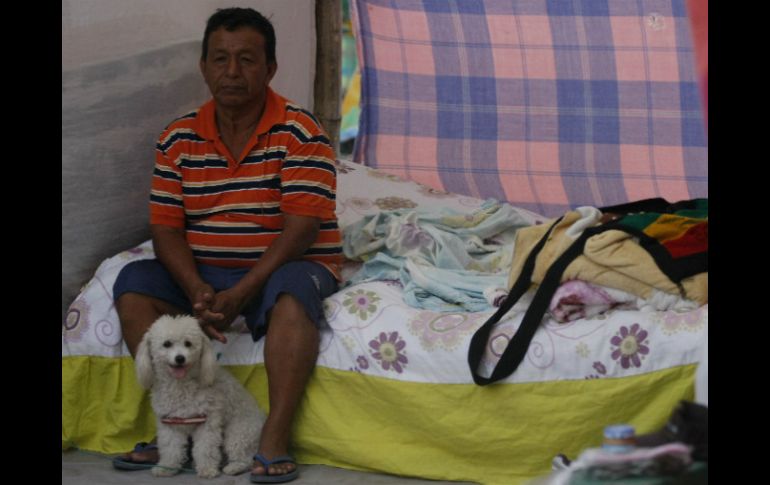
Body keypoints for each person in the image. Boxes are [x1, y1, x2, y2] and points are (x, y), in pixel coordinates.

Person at [111, 7, 342, 483]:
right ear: (203, 66)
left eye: (247, 60)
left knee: (294, 292)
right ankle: (175, 426)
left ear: (271, 68)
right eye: (220, 59)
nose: (232, 72)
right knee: (133, 283)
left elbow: (301, 230)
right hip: (209, 271)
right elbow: (167, 229)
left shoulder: (301, 132)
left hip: (287, 262)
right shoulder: (178, 138)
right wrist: (196, 287)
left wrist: (241, 293)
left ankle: (273, 439)